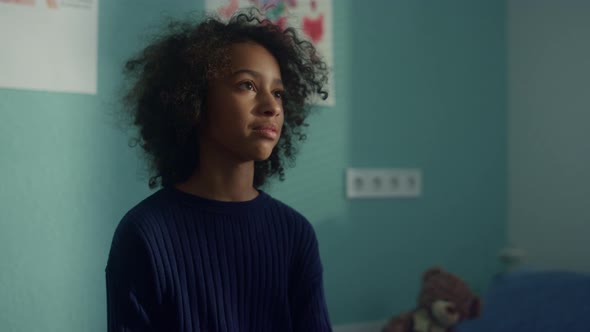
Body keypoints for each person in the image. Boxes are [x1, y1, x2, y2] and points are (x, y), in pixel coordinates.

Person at [105, 8, 332, 332]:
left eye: (278, 92)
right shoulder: (144, 234)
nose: (272, 106)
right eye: (247, 85)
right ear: (194, 101)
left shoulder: (295, 234)